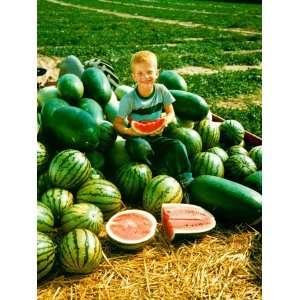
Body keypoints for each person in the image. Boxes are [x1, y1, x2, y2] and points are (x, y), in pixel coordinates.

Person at [113, 50, 193, 189]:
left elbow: (171, 113)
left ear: (157, 73)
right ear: (133, 77)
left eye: (150, 72)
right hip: (138, 138)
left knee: (177, 145)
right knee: (139, 148)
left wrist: (165, 122)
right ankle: (156, 172)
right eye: (140, 73)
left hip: (157, 136)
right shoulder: (129, 99)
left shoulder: (162, 90)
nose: (145, 77)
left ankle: (186, 177)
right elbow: (117, 124)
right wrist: (130, 132)